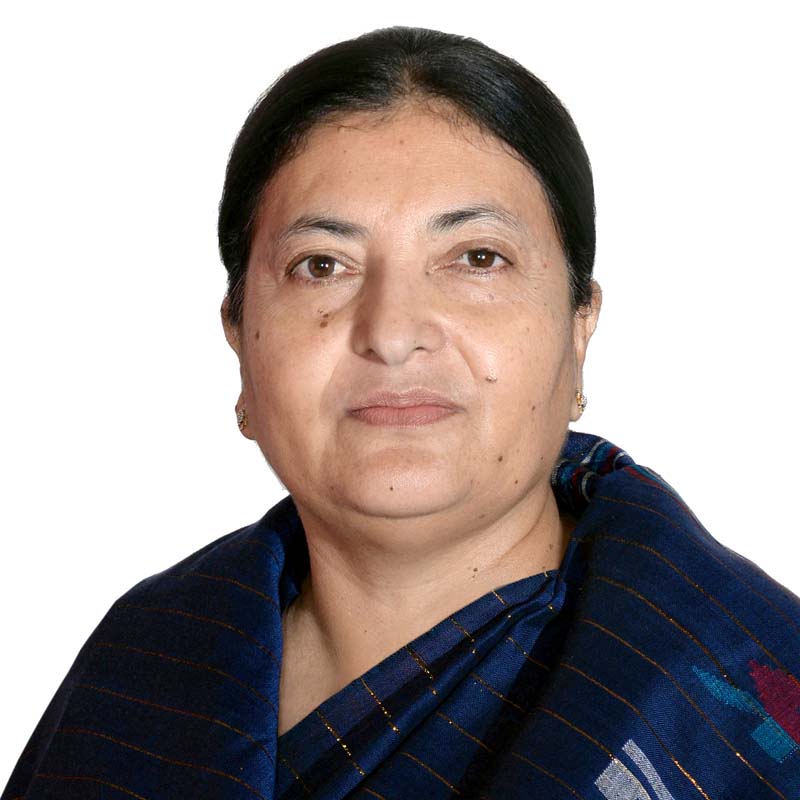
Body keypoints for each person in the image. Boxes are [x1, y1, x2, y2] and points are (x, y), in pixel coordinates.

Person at [3, 25, 798, 800]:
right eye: (322, 266)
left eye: (477, 258)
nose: (390, 332)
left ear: (578, 326)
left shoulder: (738, 708)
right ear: (239, 338)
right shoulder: (148, 666)